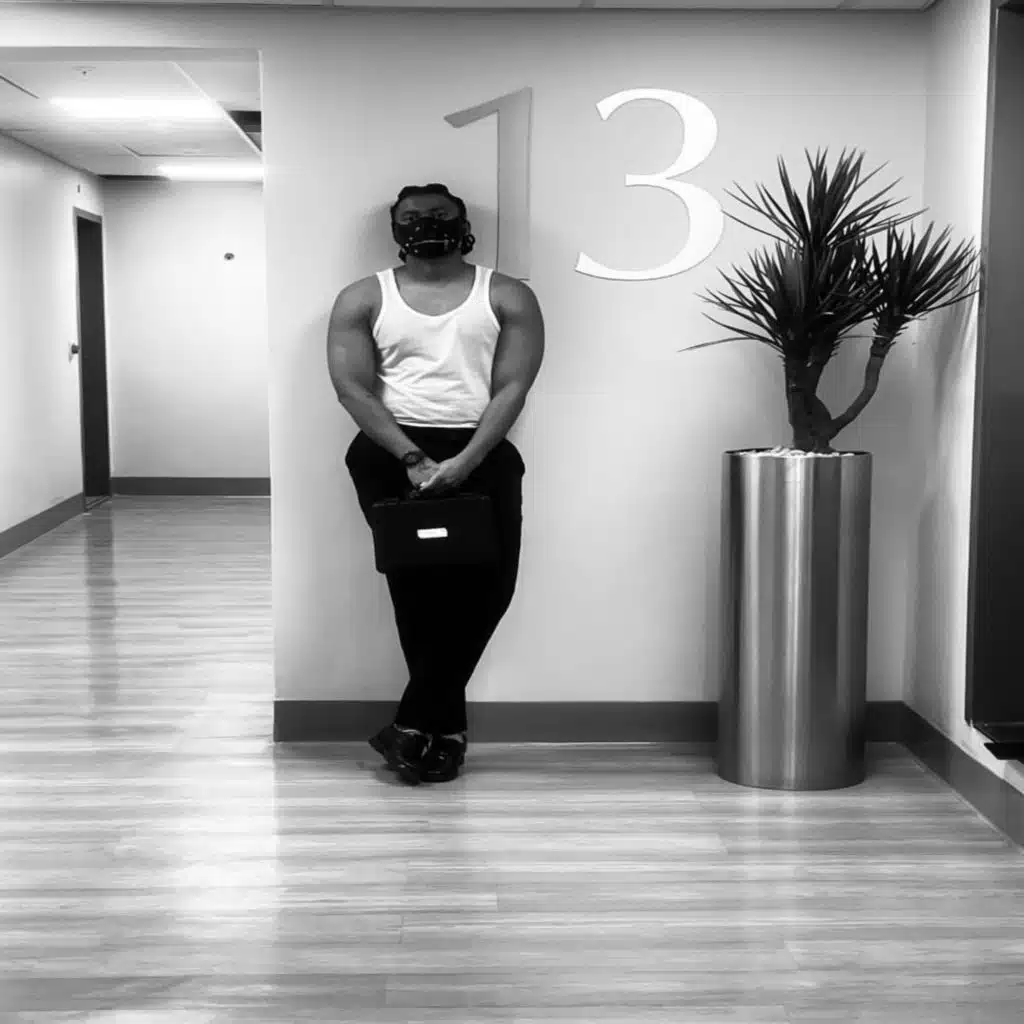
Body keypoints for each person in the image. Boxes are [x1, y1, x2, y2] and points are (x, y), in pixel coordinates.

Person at [326, 183, 545, 786]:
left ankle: (411, 724)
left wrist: (468, 459)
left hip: (482, 450)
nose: (427, 225)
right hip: (389, 454)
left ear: (463, 224)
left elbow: (514, 386)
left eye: (440, 216)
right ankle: (444, 736)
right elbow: (351, 388)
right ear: (395, 229)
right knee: (419, 595)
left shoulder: (506, 294)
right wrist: (412, 456)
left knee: (488, 590)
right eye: (414, 218)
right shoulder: (363, 296)